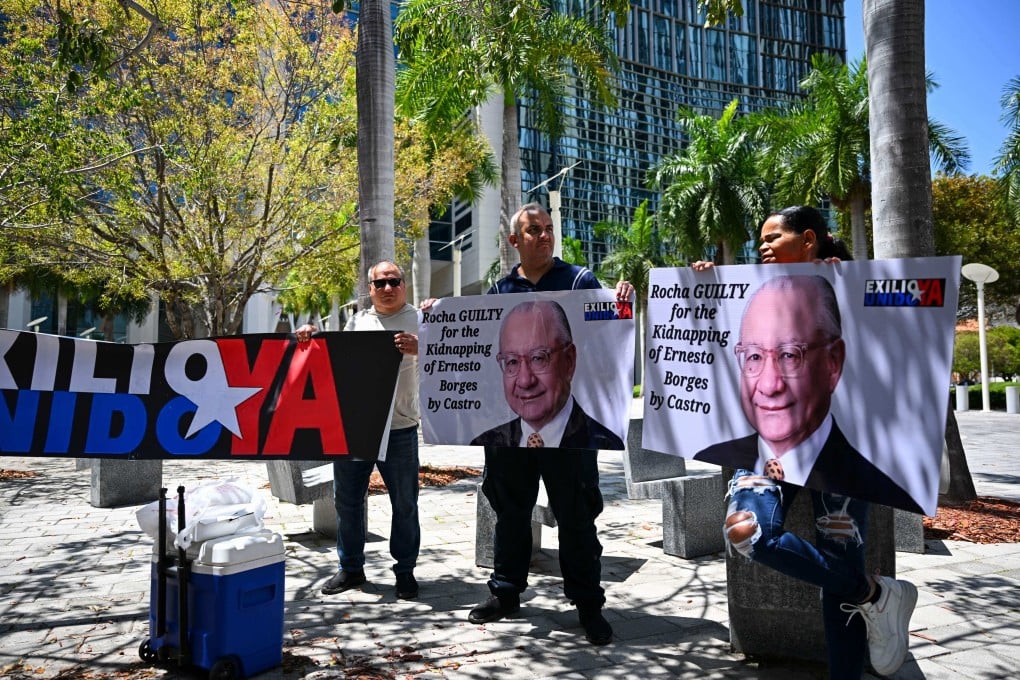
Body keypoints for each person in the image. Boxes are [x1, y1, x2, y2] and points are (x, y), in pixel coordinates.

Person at [692, 205, 918, 678]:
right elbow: (705, 342)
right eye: (753, 356)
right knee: (747, 531)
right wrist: (706, 289)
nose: (764, 246)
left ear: (809, 239)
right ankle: (876, 594)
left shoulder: (846, 285)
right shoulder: (743, 290)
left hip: (836, 465)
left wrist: (848, 285)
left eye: (774, 237)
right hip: (759, 458)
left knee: (839, 559)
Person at [467, 202, 633, 646]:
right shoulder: (499, 293)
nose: (543, 236)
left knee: (578, 518)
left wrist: (620, 304)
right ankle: (505, 593)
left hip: (570, 443)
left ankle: (588, 605)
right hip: (510, 440)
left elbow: (606, 338)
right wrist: (436, 317)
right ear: (514, 241)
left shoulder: (580, 282)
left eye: (548, 229)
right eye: (533, 230)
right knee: (510, 514)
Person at [694, 275, 922, 514]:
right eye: (753, 356)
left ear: (832, 363)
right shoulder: (713, 455)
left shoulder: (881, 491)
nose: (770, 385)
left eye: (790, 355)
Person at [297, 261, 422, 600]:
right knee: (348, 501)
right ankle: (351, 569)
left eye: (393, 281)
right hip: (355, 428)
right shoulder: (357, 321)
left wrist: (422, 347)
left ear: (403, 285)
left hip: (400, 429)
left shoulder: (422, 321)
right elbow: (329, 358)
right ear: (369, 289)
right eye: (379, 283)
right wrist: (309, 337)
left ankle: (406, 571)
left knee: (405, 504)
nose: (387, 288)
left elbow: (447, 361)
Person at [470, 299, 625, 450]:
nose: (525, 381)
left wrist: (622, 299)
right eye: (512, 361)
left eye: (538, 358)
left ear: (569, 361)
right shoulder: (485, 441)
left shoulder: (604, 442)